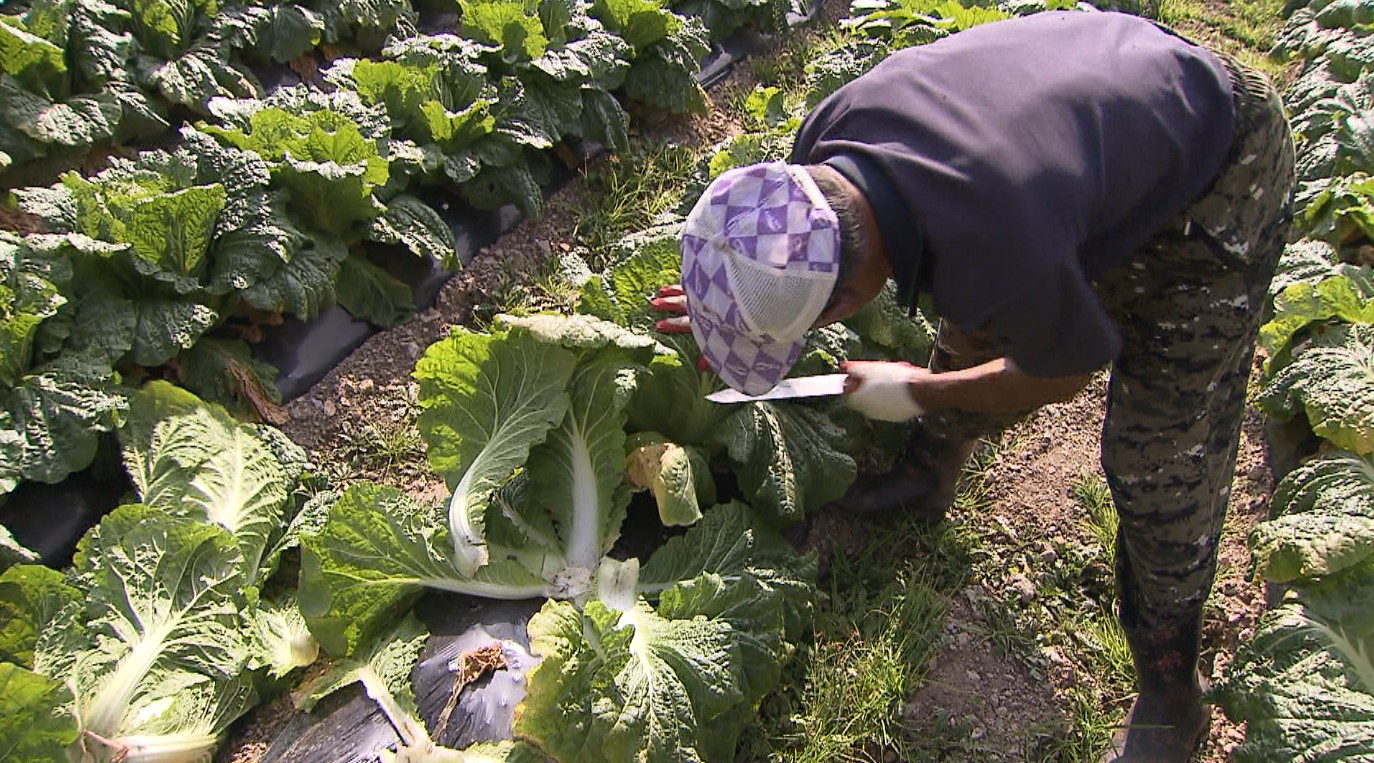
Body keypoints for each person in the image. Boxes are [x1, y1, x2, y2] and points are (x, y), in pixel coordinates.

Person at [652, 9, 1295, 763]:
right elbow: (938, 255)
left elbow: (1059, 377)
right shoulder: (826, 146)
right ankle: (928, 477)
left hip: (1220, 165)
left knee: (1159, 453)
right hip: (1086, 121)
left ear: (854, 295)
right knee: (972, 316)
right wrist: (723, 288)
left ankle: (1170, 690)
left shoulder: (997, 240)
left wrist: (921, 389)